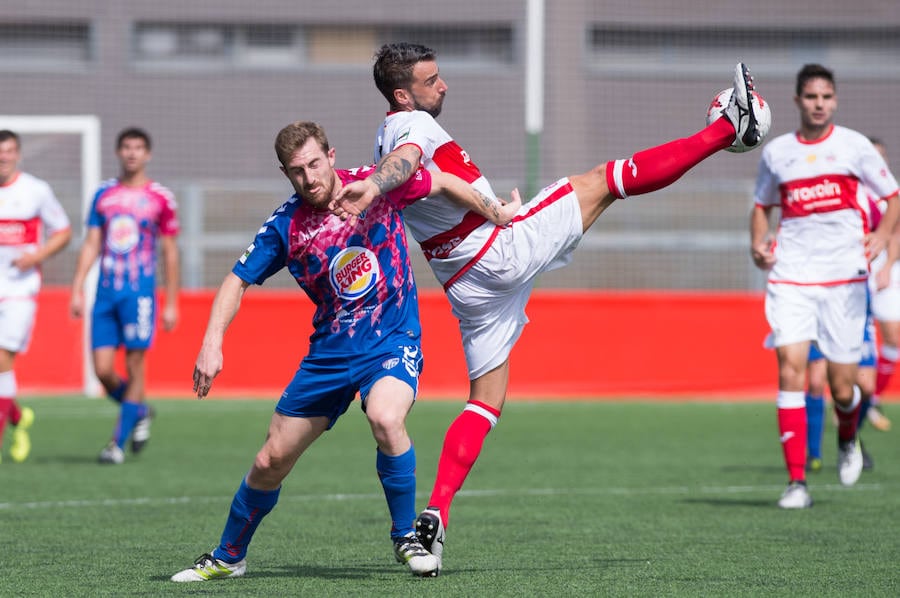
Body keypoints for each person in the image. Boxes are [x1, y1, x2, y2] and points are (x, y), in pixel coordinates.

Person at [332, 42, 768, 573]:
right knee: (605, 180)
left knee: (485, 402)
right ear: (403, 95)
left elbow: (433, 181)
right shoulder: (410, 127)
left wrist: (488, 206)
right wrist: (382, 183)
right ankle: (729, 129)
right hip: (499, 254)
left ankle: (435, 515)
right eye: (431, 80)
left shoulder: (386, 129)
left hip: (465, 284)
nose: (443, 86)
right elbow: (407, 162)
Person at [170, 121, 520, 582]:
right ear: (286, 173)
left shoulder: (377, 184)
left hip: (392, 340)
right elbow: (237, 279)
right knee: (270, 460)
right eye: (297, 171)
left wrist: (496, 213)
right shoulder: (286, 226)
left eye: (315, 164)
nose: (309, 178)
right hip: (330, 354)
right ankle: (229, 555)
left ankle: (405, 537)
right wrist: (211, 343)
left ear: (331, 156)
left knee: (386, 418)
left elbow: (443, 181)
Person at [751, 64, 900, 509]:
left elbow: (893, 198)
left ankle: (848, 438)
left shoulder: (854, 147)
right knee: (790, 367)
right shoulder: (777, 153)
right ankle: (797, 483)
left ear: (834, 101)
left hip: (844, 279)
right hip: (792, 275)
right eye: (811, 97)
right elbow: (762, 206)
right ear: (797, 101)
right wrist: (758, 245)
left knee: (842, 387)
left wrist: (882, 236)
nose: (819, 104)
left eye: (826, 97)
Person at [69, 127, 180, 465]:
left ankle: (116, 443)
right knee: (103, 371)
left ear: (148, 154)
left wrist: (172, 301)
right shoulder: (103, 195)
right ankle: (140, 411)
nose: (132, 153)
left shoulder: (161, 197)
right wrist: (77, 286)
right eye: (126, 147)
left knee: (135, 365)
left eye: (138, 148)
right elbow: (91, 243)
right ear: (118, 152)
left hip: (140, 295)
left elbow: (170, 251)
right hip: (105, 294)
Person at [0, 129, 72, 463]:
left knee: (2, 359)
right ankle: (17, 416)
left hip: (19, 289)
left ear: (18, 154)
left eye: (9, 151)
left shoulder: (35, 191)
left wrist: (35, 257)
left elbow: (63, 231)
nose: (4, 157)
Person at [864, 137, 896, 434]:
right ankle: (850, 401)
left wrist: (887, 266)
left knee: (893, 338)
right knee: (856, 339)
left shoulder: (890, 193)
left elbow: (896, 233)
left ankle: (872, 400)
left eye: (881, 156)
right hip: (856, 267)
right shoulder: (856, 188)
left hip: (885, 267)